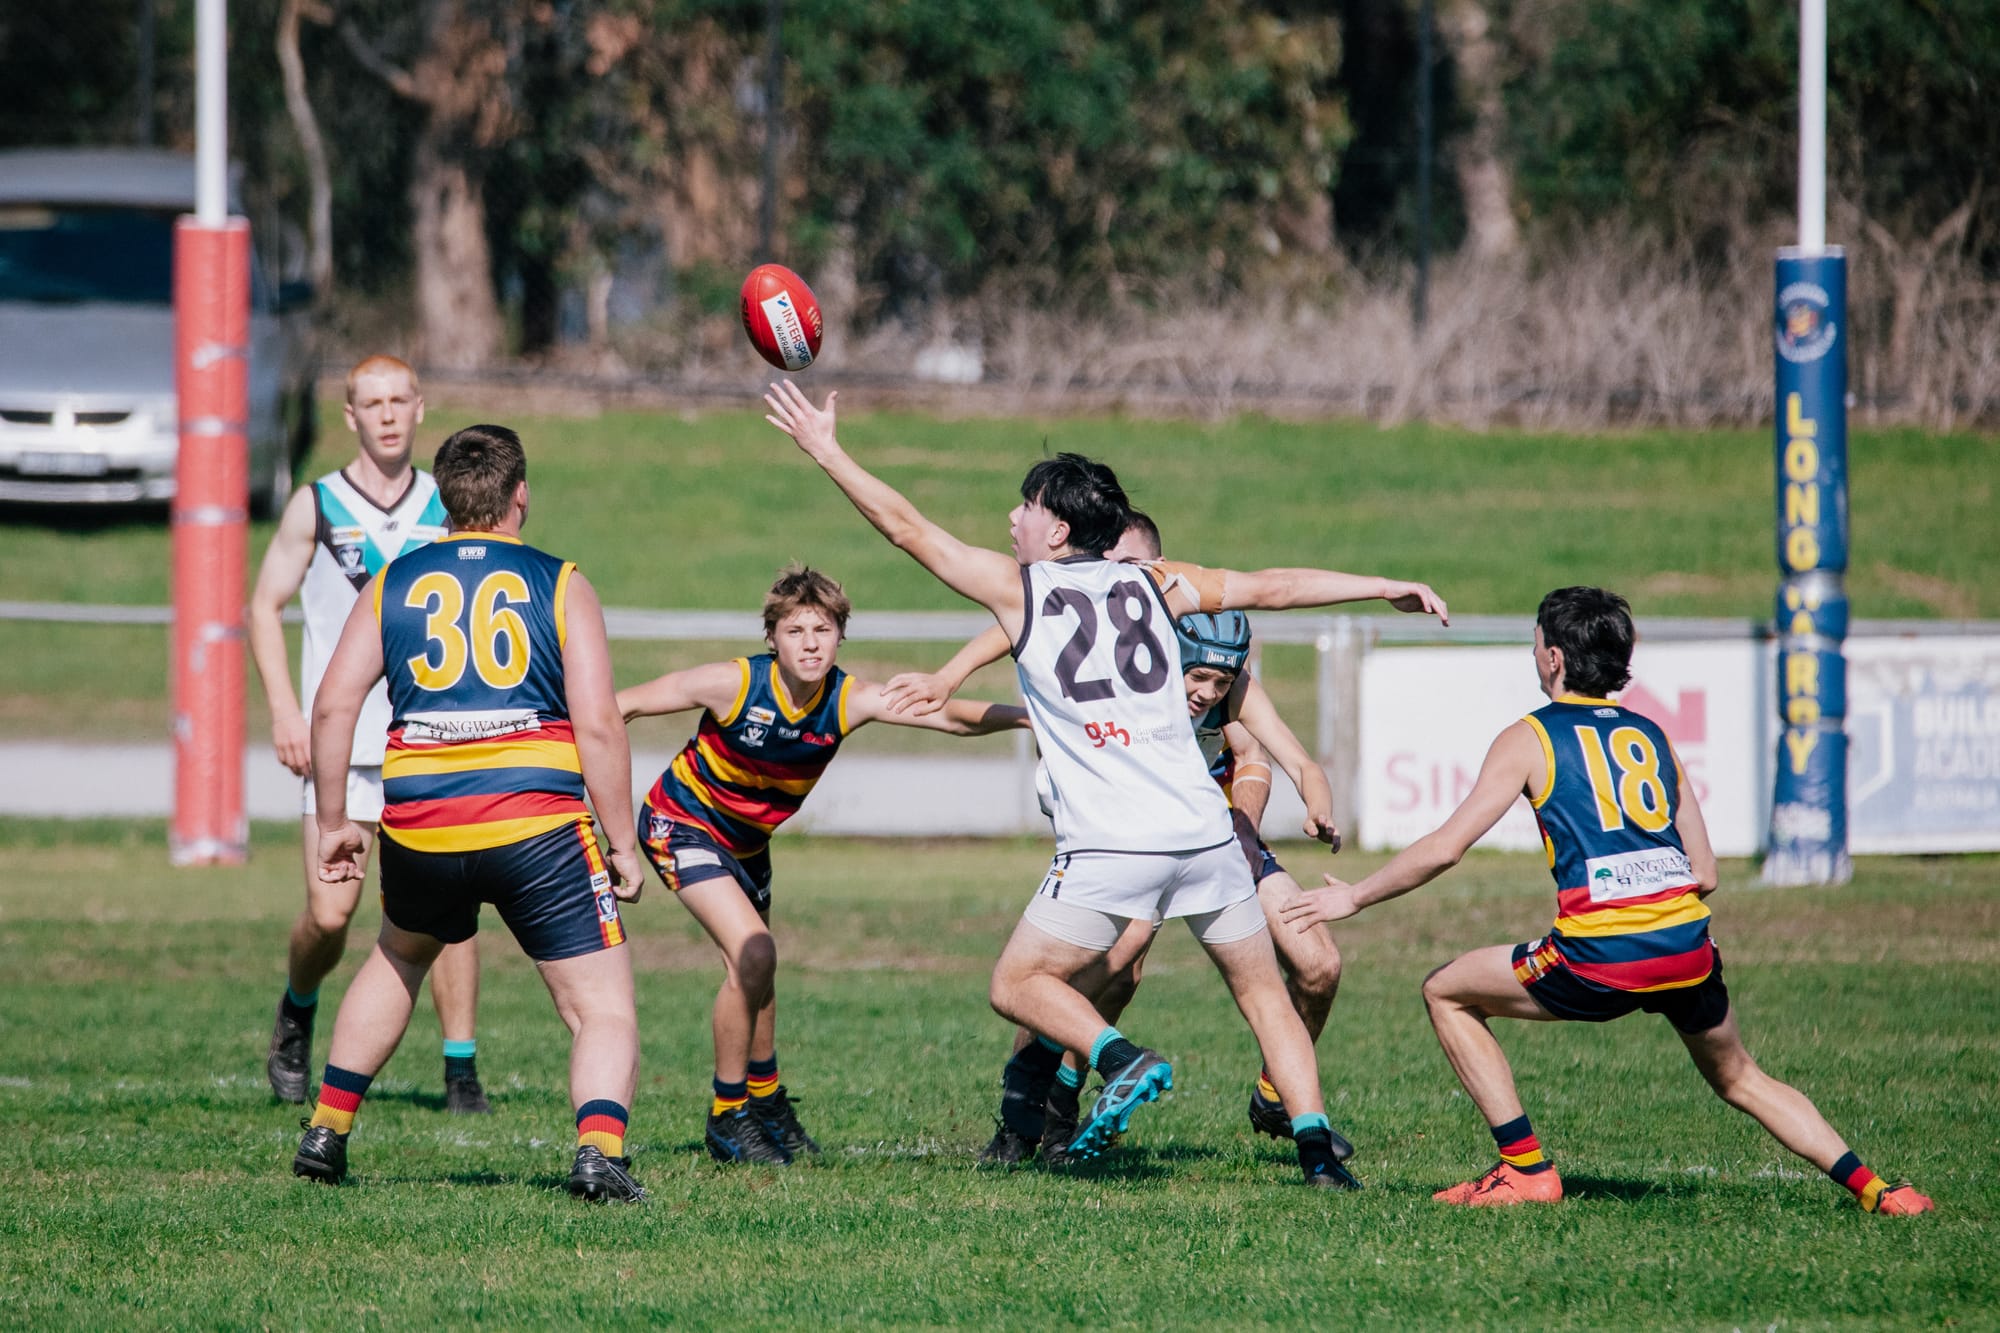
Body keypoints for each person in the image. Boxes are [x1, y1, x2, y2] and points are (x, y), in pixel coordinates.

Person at [762, 379, 1447, 1186]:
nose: (1011, 520)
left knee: (1016, 982)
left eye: (1022, 508)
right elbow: (1276, 586)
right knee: (1263, 994)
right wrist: (1383, 586)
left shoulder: (1021, 591)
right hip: (1204, 828)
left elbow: (908, 528)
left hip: (1113, 840)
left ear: (1055, 524)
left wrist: (825, 448)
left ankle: (1119, 1057)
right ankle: (1316, 1154)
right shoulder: (1161, 581)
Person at [1283, 586, 1935, 1214]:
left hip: (1599, 952)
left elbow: (1447, 846)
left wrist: (1357, 897)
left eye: (1536, 642)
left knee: (1446, 990)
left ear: (1554, 657)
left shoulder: (1530, 737)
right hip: (1687, 948)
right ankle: (1878, 1190)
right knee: (1740, 1076)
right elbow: (1703, 870)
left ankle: (1526, 1170)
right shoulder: (1652, 734)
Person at [886, 516, 1349, 1169]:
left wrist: (1283, 807)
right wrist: (950, 677)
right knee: (1103, 964)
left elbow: (1262, 755)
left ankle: (1279, 1102)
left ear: (1161, 571)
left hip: (1212, 832)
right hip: (1124, 824)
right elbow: (1014, 622)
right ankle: (1041, 1114)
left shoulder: (1191, 633)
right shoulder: (1107, 646)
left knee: (1315, 963)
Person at [290, 424, 649, 1203]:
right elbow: (597, 724)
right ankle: (599, 1149)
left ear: (443, 501)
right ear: (521, 495)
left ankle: (327, 1126)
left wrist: (332, 821)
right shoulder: (561, 582)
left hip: (423, 821)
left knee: (399, 955)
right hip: (537, 826)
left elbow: (332, 706)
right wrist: (622, 843)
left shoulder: (394, 581)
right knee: (602, 1005)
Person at [617, 565, 1028, 1165]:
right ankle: (728, 1115)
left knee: (759, 973)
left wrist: (1029, 718)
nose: (810, 642)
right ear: (772, 638)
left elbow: (949, 716)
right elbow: (618, 706)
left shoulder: (848, 698)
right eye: (795, 630)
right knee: (754, 951)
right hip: (681, 824)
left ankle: (764, 1100)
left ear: (840, 636)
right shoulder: (731, 684)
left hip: (749, 843)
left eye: (824, 629)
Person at [248, 354, 490, 1114]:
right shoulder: (315, 506)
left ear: (421, 408)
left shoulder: (447, 508)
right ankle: (297, 1005)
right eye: (371, 403)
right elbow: (263, 606)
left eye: (398, 400)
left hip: (429, 742)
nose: (386, 414)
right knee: (330, 915)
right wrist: (287, 709)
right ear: (350, 416)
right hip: (340, 747)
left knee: (449, 908)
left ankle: (460, 1069)